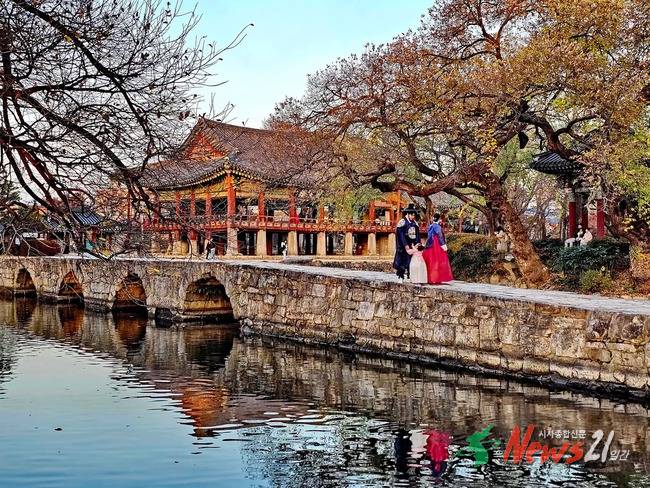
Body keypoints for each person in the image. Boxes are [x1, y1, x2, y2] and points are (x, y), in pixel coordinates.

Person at [422, 213, 454, 284]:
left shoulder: (430, 226)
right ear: (439, 219)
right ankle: (436, 278)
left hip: (430, 243)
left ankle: (430, 278)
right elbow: (440, 236)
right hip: (436, 244)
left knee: (430, 261)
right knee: (438, 261)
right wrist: (443, 245)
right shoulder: (438, 227)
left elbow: (429, 235)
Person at [392, 203, 420, 283]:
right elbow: (400, 235)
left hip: (412, 245)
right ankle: (400, 276)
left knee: (411, 261)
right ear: (408, 214)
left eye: (414, 215)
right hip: (403, 246)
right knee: (402, 261)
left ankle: (410, 276)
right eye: (412, 215)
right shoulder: (402, 222)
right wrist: (405, 245)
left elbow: (417, 234)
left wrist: (417, 243)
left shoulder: (415, 223)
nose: (413, 217)